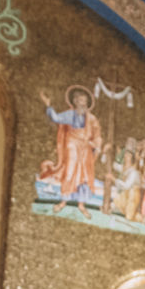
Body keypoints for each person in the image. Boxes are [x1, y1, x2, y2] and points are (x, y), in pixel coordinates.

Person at [38, 86, 104, 218]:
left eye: (85, 101)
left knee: (84, 177)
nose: (83, 103)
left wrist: (95, 144)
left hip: (85, 149)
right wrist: (48, 105)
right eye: (80, 100)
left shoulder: (91, 118)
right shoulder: (69, 114)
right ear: (75, 102)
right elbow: (56, 118)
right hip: (72, 146)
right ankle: (63, 202)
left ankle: (81, 205)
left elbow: (97, 135)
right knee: (70, 173)